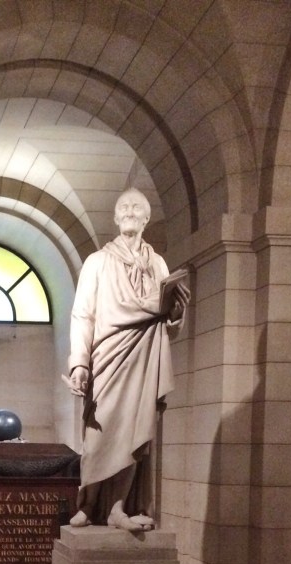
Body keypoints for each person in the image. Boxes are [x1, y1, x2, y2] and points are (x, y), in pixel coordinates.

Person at [63, 188, 190, 531]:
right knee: (99, 435)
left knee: (135, 434)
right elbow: (83, 314)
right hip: (108, 357)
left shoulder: (158, 264)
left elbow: (167, 324)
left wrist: (176, 312)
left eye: (136, 207)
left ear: (147, 218)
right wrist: (80, 364)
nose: (130, 211)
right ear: (116, 217)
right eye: (124, 207)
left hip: (144, 358)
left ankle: (117, 509)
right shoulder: (97, 262)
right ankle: (88, 505)